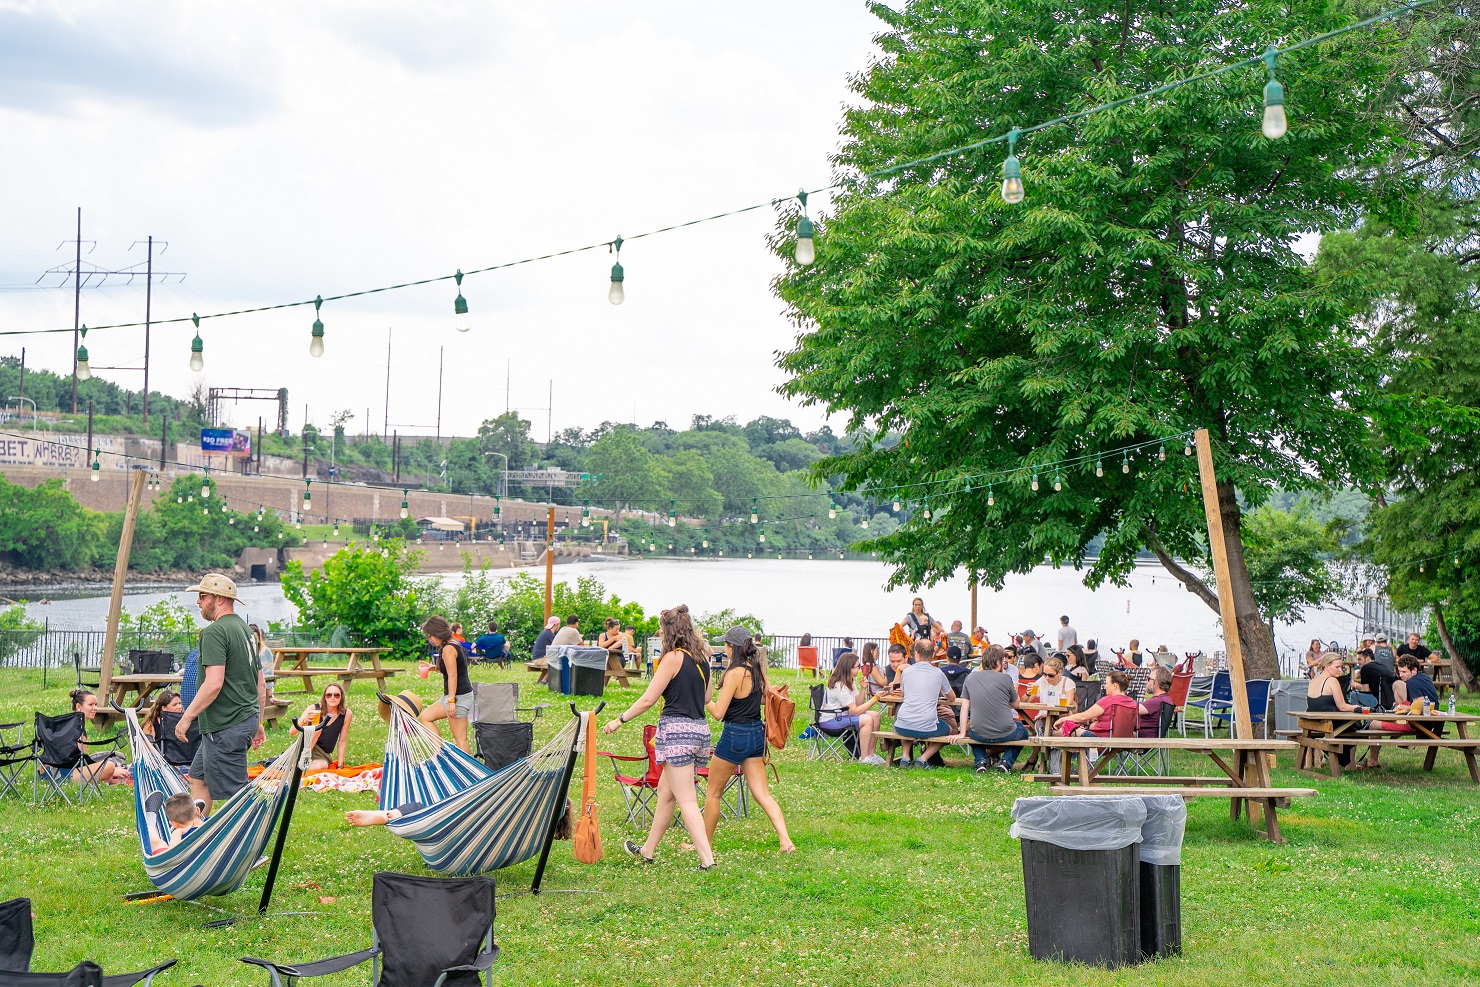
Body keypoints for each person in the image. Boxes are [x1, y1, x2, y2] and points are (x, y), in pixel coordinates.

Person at [603, 604, 716, 869]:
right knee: (666, 793)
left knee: (687, 800)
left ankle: (708, 861)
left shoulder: (673, 658)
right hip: (699, 731)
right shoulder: (702, 658)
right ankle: (647, 850)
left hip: (677, 734)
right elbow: (707, 697)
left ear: (669, 632)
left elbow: (648, 699)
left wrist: (619, 720)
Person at [176, 574, 267, 816]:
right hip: (243, 720)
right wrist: (258, 722)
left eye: (202, 596)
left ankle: (250, 835)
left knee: (237, 794)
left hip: (227, 726)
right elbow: (260, 683)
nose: (198, 601)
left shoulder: (214, 632)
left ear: (219, 599)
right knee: (199, 778)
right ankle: (196, 829)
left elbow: (213, 684)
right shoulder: (245, 630)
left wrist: (186, 718)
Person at [702, 626, 795, 850]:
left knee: (713, 793)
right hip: (756, 736)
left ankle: (704, 845)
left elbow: (718, 713)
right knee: (763, 794)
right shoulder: (756, 670)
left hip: (734, 736)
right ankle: (786, 841)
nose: (724, 648)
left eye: (725, 644)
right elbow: (765, 699)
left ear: (732, 647)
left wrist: (703, 699)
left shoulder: (734, 673)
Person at [1360, 656, 1442, 768]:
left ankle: (1373, 761)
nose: (1401, 674)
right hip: (1430, 721)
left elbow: (1420, 705)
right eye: (1399, 671)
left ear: (1414, 670)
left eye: (1404, 672)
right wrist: (1403, 706)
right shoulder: (1424, 677)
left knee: (1373, 724)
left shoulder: (1412, 682)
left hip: (1417, 724)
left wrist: (1403, 708)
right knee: (1389, 707)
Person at [893, 640, 961, 768]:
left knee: (908, 721)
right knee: (951, 730)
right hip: (926, 725)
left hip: (902, 724)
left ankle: (905, 757)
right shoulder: (938, 673)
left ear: (916, 653)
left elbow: (903, 692)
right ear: (933, 654)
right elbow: (952, 698)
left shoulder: (907, 672)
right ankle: (923, 758)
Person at [961, 646, 1028, 773]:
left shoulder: (970, 677)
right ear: (998, 663)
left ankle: (980, 761)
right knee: (1022, 730)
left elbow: (964, 707)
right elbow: (1016, 704)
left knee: (972, 730)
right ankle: (1006, 762)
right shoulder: (1005, 678)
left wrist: (962, 732)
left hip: (979, 732)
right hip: (1005, 732)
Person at [418, 615, 473, 753]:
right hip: (451, 695)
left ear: (437, 632)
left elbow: (453, 676)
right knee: (425, 717)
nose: (430, 640)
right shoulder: (451, 643)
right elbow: (452, 670)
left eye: (430, 636)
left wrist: (451, 702)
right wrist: (435, 668)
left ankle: (467, 766)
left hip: (458, 697)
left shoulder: (449, 648)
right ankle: (439, 754)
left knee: (460, 738)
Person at [819, 652, 885, 765]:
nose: (859, 668)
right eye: (857, 666)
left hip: (842, 715)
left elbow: (858, 704)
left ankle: (871, 755)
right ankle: (864, 758)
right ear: (849, 668)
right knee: (867, 719)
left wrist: (863, 689)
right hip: (831, 721)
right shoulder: (839, 685)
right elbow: (854, 711)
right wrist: (875, 699)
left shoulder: (849, 680)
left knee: (875, 716)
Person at [60, 689, 130, 785]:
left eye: (96, 704)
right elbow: (82, 763)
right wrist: (112, 771)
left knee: (104, 765)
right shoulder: (79, 729)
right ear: (79, 706)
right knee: (109, 766)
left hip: (49, 771)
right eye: (91, 705)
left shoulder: (65, 722)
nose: (95, 708)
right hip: (64, 774)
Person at [1307, 653, 1363, 769]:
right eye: (1337, 667)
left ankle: (1344, 760)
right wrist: (1358, 708)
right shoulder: (1332, 681)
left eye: (1341, 667)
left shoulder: (1313, 680)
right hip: (1330, 723)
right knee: (1356, 724)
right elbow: (1342, 707)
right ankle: (1349, 762)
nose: (1340, 670)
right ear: (1327, 666)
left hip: (1315, 723)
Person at [1059, 670, 1140, 738]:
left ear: (1114, 686)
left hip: (1102, 742)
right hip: (1124, 742)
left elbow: (1083, 717)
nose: (1105, 686)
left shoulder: (1108, 700)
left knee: (1068, 729)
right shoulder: (1133, 703)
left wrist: (1062, 719)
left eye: (1107, 683)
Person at [292, 683, 352, 770]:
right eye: (329, 695)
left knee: (321, 766)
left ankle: (297, 768)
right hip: (305, 746)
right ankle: (299, 762)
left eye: (336, 695)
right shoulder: (314, 709)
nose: (332, 698)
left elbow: (342, 741)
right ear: (324, 697)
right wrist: (305, 721)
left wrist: (340, 766)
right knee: (318, 729)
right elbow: (292, 732)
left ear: (341, 697)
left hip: (322, 753)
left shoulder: (346, 714)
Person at [1138, 667, 1176, 737]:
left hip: (1141, 738)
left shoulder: (1157, 701)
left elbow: (1131, 710)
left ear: (1156, 683)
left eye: (1149, 679)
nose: (1147, 681)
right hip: (1146, 736)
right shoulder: (1166, 698)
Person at [530, 615, 560, 683]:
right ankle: (545, 681)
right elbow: (558, 647)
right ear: (556, 625)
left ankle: (545, 680)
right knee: (560, 663)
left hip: (537, 659)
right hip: (541, 660)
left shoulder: (545, 632)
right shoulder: (550, 635)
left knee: (556, 661)